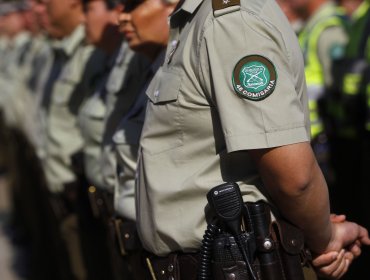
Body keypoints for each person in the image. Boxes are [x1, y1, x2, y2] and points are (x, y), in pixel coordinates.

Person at [135, 0, 370, 279]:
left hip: (233, 264)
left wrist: (325, 238)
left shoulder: (232, 21)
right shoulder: (200, 18)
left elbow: (293, 177)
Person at [110, 0, 178, 278]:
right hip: (139, 238)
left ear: (172, 6)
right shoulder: (153, 69)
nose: (121, 18)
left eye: (133, 5)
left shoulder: (188, 64)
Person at [39, 0, 107, 279]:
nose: (40, 8)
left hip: (85, 195)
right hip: (65, 191)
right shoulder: (64, 50)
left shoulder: (94, 50)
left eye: (45, 2)